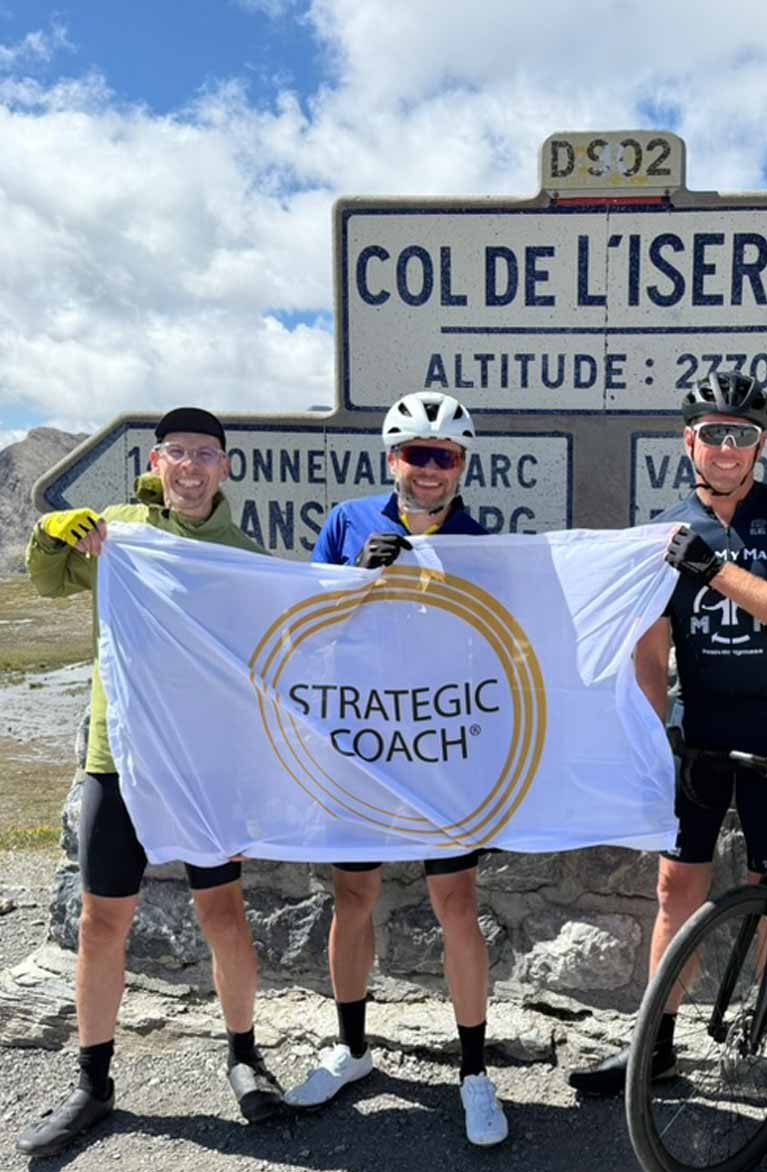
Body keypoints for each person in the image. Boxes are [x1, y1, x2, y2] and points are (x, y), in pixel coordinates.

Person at [567, 371, 767, 1129]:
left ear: (762, 444)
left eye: (743, 434)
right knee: (673, 892)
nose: (727, 448)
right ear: (689, 440)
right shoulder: (666, 532)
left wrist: (716, 570)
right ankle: (655, 1047)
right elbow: (652, 655)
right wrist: (654, 737)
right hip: (702, 735)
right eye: (713, 433)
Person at [16, 408, 281, 1159]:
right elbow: (44, 580)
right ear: (157, 461)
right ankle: (93, 1086)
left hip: (206, 768)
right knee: (103, 922)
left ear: (225, 467)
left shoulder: (241, 552)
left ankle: (243, 1057)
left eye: (207, 454)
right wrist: (55, 534)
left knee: (224, 915)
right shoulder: (116, 529)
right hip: (118, 756)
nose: (193, 467)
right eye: (179, 454)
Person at [285, 390, 509, 1147]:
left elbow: (508, 648)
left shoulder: (482, 541)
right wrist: (357, 580)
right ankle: (351, 1050)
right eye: (417, 454)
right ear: (393, 459)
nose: (429, 470)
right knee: (354, 892)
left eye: (444, 456)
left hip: (442, 746)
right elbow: (305, 633)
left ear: (461, 466)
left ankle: (474, 1072)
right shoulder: (349, 523)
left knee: (457, 900)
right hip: (363, 743)